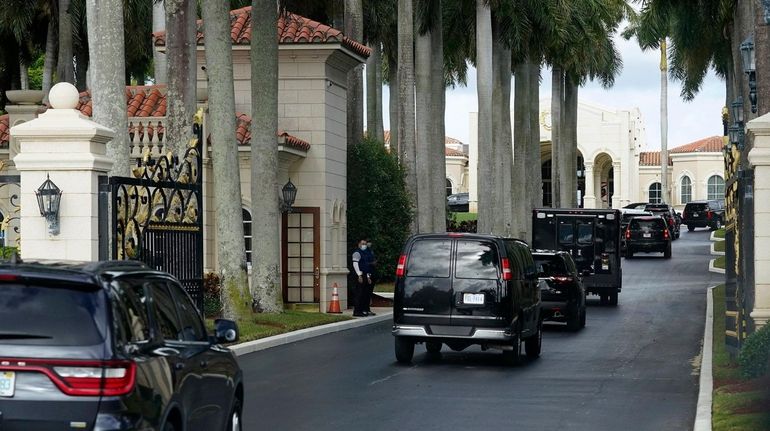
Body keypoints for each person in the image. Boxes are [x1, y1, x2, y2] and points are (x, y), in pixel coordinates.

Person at [351, 238, 373, 317]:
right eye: (363, 244)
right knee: (358, 293)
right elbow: (355, 265)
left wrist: (368, 277)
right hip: (359, 275)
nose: (364, 245)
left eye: (365, 244)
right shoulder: (357, 253)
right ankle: (357, 311)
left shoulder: (365, 253)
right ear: (359, 244)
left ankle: (362, 310)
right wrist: (359, 275)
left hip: (364, 275)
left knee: (363, 293)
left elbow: (366, 267)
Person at [361, 238, 376, 316]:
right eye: (367, 242)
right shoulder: (364, 252)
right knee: (365, 293)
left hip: (372, 273)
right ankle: (364, 308)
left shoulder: (370, 251)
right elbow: (365, 263)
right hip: (367, 273)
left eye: (370, 242)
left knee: (369, 293)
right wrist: (371, 263)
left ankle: (367, 308)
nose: (369, 244)